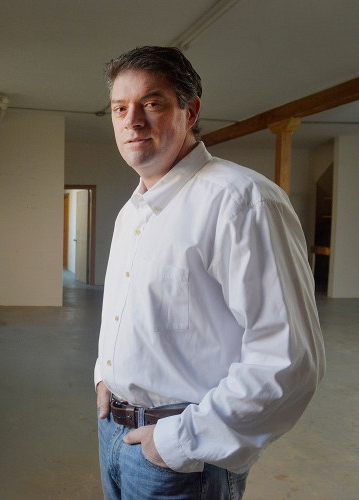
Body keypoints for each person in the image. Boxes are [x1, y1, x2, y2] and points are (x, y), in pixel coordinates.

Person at [95, 46, 325, 499]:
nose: (132, 120)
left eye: (152, 103)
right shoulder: (133, 211)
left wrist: (177, 442)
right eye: (120, 108)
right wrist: (104, 375)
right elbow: (127, 313)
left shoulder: (242, 201)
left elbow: (288, 360)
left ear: (190, 110)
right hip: (113, 434)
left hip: (182, 461)